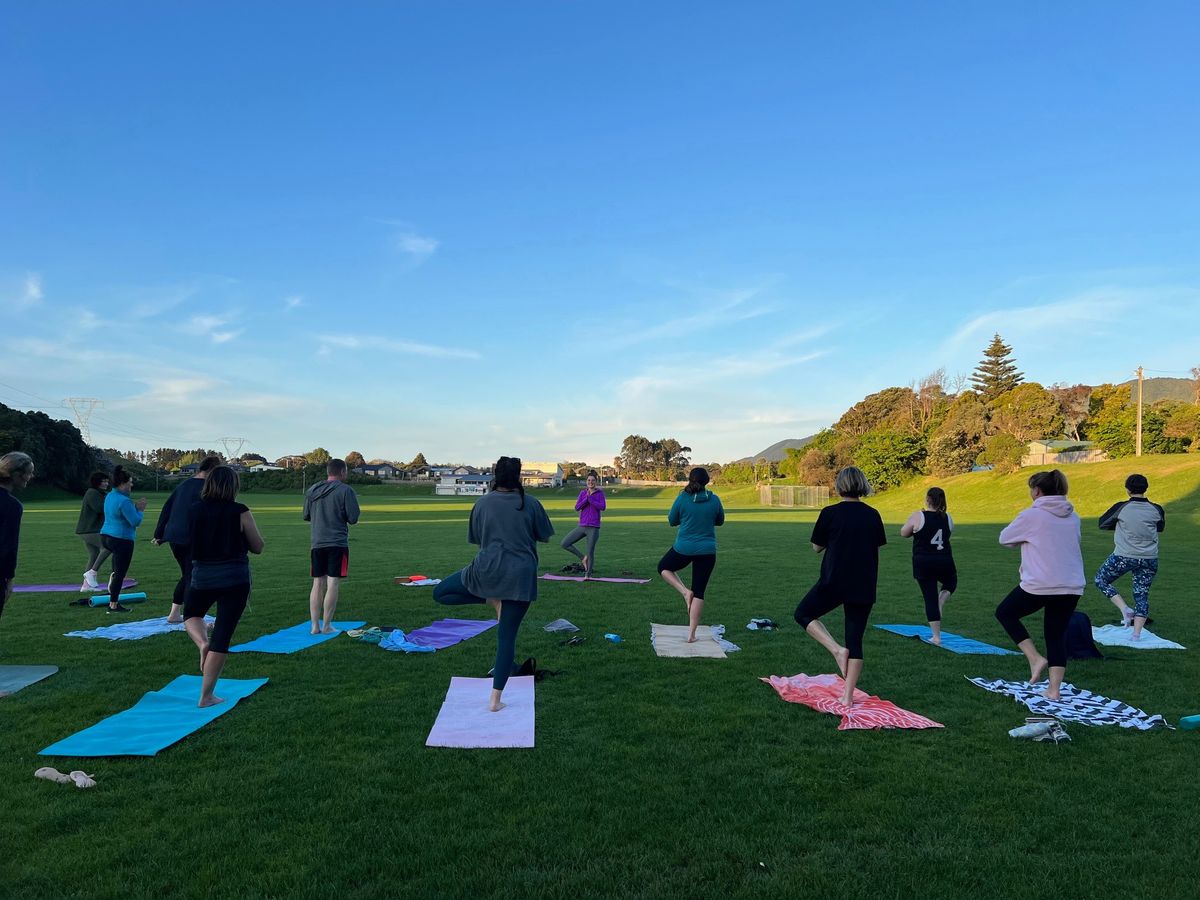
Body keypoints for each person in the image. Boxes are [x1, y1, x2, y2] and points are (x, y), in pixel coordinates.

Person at [433, 456, 554, 712]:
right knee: (506, 638)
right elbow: (544, 536)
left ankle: (490, 598)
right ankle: (495, 700)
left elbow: (478, 539)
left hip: (486, 572)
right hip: (518, 578)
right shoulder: (530, 503)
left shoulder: (483, 503)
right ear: (519, 477)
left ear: (495, 476)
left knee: (441, 592)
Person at [793, 466, 887, 708]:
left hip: (834, 579)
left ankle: (835, 650)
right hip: (864, 582)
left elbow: (816, 547)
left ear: (840, 486)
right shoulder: (873, 514)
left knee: (803, 613)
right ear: (862, 485)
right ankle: (847, 696)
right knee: (855, 639)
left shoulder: (830, 513)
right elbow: (876, 547)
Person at [994, 469, 1085, 701]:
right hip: (1071, 585)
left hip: (1041, 584)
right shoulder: (1073, 516)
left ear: (1037, 491)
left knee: (1005, 613)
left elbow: (1005, 538)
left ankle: (1035, 658)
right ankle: (1054, 691)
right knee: (1055, 635)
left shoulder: (1031, 516)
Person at [183, 466, 264, 707]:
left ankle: (201, 643)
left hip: (203, 576)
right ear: (233, 487)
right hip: (235, 578)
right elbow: (258, 546)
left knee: (191, 614)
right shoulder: (240, 511)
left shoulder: (194, 511)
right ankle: (206, 695)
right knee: (223, 634)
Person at [658, 467, 725, 643]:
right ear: (707, 481)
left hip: (684, 548)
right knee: (700, 592)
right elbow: (720, 521)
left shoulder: (682, 498)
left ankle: (684, 592)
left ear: (690, 480)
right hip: (707, 550)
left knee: (663, 567)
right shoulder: (714, 499)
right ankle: (691, 634)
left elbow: (672, 520)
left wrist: (687, 516)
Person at [1094, 473, 1165, 640]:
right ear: (1145, 488)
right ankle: (1136, 634)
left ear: (1127, 489)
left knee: (1100, 579)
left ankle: (1125, 609)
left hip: (1124, 556)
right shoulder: (1156, 509)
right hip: (1149, 558)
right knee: (1141, 594)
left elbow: (1102, 523)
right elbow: (1159, 527)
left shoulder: (1121, 507)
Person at [153, 455, 220, 623]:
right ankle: (193, 618)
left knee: (187, 573)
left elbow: (167, 508)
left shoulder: (183, 485)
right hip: (192, 537)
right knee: (193, 576)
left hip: (175, 537)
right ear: (212, 470)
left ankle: (175, 613)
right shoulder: (208, 487)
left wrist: (159, 534)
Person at [303, 458, 360, 634]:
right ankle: (326, 626)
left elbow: (306, 515)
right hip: (337, 543)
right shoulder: (346, 491)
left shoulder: (312, 490)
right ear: (342, 472)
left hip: (317, 543)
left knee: (317, 583)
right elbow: (353, 518)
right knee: (333, 582)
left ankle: (314, 626)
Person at [899, 486, 957, 645]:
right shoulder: (948, 517)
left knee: (930, 597)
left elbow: (903, 533)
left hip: (924, 562)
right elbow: (947, 533)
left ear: (927, 499)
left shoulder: (918, 516)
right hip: (944, 560)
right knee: (951, 582)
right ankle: (942, 600)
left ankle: (936, 637)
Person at [98, 466, 147, 613]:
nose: (131, 485)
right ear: (122, 484)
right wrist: (140, 510)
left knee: (115, 571)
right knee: (120, 573)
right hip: (122, 539)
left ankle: (111, 594)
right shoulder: (124, 501)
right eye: (130, 482)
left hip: (106, 536)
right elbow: (135, 521)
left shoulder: (110, 496)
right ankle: (113, 604)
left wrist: (134, 508)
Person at [0, 452, 36, 641]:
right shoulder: (11, 505)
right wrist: (8, 579)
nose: (30, 477)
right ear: (16, 475)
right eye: (29, 473)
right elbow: (7, 546)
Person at [561, 470, 606, 576]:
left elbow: (602, 507)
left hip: (593, 527)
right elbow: (577, 507)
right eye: (589, 480)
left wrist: (591, 499)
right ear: (586, 482)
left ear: (596, 482)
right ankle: (582, 558)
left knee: (590, 551)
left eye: (593, 480)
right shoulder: (582, 493)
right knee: (565, 543)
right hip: (582, 526)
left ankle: (588, 574)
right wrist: (586, 499)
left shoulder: (600, 494)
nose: (591, 482)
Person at [75, 471, 111, 591]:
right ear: (97, 482)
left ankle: (86, 586)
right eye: (103, 481)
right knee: (107, 547)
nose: (106, 483)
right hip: (90, 529)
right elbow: (99, 508)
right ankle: (92, 573)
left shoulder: (100, 493)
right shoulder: (92, 493)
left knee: (94, 555)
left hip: (89, 529)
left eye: (107, 481)